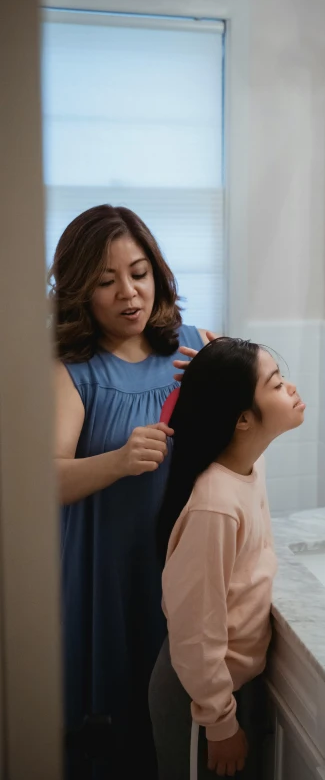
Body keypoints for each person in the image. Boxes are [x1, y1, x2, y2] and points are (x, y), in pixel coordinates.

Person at [51, 204, 213, 779]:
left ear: (158, 274)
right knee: (113, 727)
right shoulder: (72, 369)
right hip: (106, 572)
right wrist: (119, 461)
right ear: (79, 291)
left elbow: (247, 438)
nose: (129, 293)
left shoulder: (195, 347)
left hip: (182, 564)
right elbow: (45, 479)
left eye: (139, 274)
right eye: (105, 280)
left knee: (176, 718)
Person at [149, 337, 306, 779]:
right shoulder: (215, 505)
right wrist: (219, 722)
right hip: (198, 695)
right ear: (241, 419)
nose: (290, 389)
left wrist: (224, 364)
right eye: (276, 384)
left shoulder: (245, 466)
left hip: (220, 686)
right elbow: (195, 631)